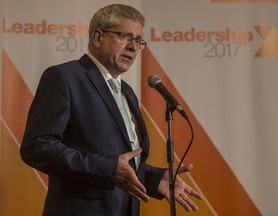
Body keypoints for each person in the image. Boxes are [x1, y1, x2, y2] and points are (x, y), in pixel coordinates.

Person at [20, 4, 202, 216]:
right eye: (125, 36)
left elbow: (119, 159)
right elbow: (37, 147)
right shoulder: (65, 78)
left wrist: (153, 178)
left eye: (138, 40)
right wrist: (107, 169)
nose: (134, 47)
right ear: (97, 37)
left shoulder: (127, 92)